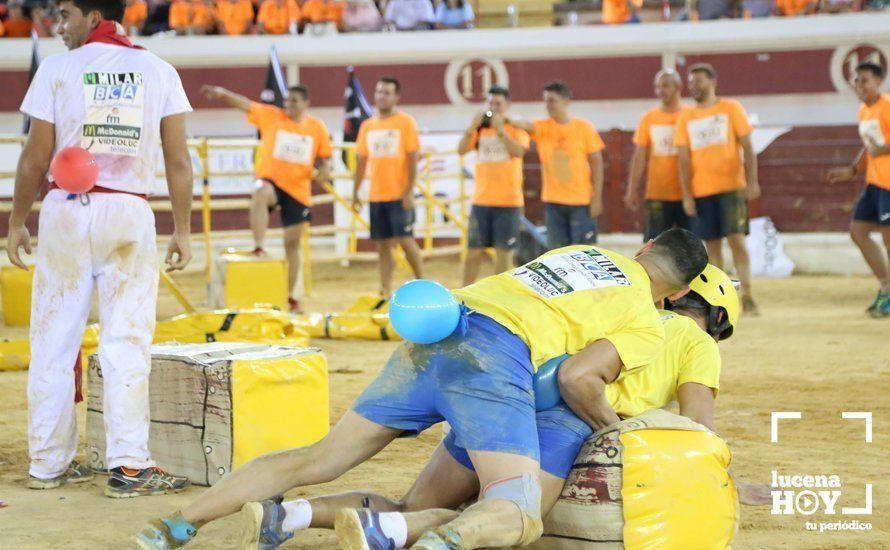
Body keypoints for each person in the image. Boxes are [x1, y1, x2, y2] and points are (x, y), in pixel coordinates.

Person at [135, 228, 708, 549]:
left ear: (643, 248)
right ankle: (439, 544)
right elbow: (575, 377)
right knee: (517, 510)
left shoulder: (582, 252)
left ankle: (175, 526)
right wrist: (618, 433)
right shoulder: (647, 318)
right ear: (676, 295)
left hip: (435, 332)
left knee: (318, 458)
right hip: (493, 362)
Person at [231, 266, 771, 550]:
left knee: (408, 499)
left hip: (504, 399)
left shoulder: (618, 306)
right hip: (567, 431)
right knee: (504, 519)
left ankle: (290, 515)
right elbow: (700, 430)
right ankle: (385, 538)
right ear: (715, 317)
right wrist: (723, 481)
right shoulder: (693, 342)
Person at [7, 0, 193, 497]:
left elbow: (34, 157)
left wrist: (17, 219)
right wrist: (182, 228)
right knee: (127, 340)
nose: (59, 25)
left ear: (93, 16)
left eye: (66, 14)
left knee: (52, 339)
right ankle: (130, 466)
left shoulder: (57, 69)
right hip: (129, 211)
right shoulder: (158, 70)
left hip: (65, 210)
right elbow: (178, 160)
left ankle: (48, 465)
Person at [201, 84, 333, 313]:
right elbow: (244, 103)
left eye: (294, 100)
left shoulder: (317, 127)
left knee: (292, 245)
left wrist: (325, 170)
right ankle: (258, 246)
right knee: (260, 191)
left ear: (305, 103)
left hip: (298, 190)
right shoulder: (272, 115)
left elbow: (325, 158)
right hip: (272, 182)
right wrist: (223, 93)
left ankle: (291, 297)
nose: (289, 104)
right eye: (287, 100)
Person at [675, 63, 761, 315]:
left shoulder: (731, 108)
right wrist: (688, 194)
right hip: (702, 190)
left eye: (699, 81)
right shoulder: (686, 116)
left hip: (732, 187)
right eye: (691, 82)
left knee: (736, 240)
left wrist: (752, 180)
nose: (694, 86)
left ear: (713, 82)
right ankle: (723, 297)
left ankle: (747, 293)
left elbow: (748, 146)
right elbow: (683, 160)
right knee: (712, 247)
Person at [828, 61, 890, 317]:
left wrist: (884, 150)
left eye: (864, 80)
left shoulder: (887, 107)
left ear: (878, 81)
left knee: (889, 240)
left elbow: (880, 147)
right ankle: (886, 287)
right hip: (875, 182)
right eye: (856, 80)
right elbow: (869, 147)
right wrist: (853, 170)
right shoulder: (864, 111)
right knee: (858, 231)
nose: (859, 85)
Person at [352, 77, 424, 298]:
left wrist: (408, 190)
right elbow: (361, 162)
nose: (382, 96)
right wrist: (355, 191)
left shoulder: (406, 122)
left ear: (396, 97)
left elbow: (413, 158)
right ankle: (385, 289)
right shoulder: (367, 126)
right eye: (379, 91)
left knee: (405, 240)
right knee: (382, 245)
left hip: (399, 193)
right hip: (376, 195)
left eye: (387, 92)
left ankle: (422, 281)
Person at [513, 81, 605, 250]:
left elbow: (597, 163)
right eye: (546, 101)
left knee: (585, 252)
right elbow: (523, 123)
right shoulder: (542, 126)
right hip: (553, 202)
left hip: (581, 201)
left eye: (552, 100)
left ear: (566, 102)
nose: (548, 105)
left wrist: (597, 197)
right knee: (556, 252)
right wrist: (506, 118)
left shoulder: (584, 128)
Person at [457, 85, 530, 285]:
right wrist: (471, 128)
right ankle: (465, 294)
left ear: (507, 105)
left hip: (508, 201)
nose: (493, 107)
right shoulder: (480, 130)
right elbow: (461, 150)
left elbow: (519, 152)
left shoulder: (516, 129)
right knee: (473, 251)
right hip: (481, 200)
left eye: (498, 103)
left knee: (503, 254)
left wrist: (500, 131)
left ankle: (499, 297)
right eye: (490, 103)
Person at [626, 69, 690, 242]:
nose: (661, 91)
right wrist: (632, 189)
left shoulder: (690, 115)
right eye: (658, 87)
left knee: (690, 245)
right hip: (658, 193)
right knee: (654, 245)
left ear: (679, 87)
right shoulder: (649, 118)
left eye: (666, 86)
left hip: (689, 193)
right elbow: (639, 155)